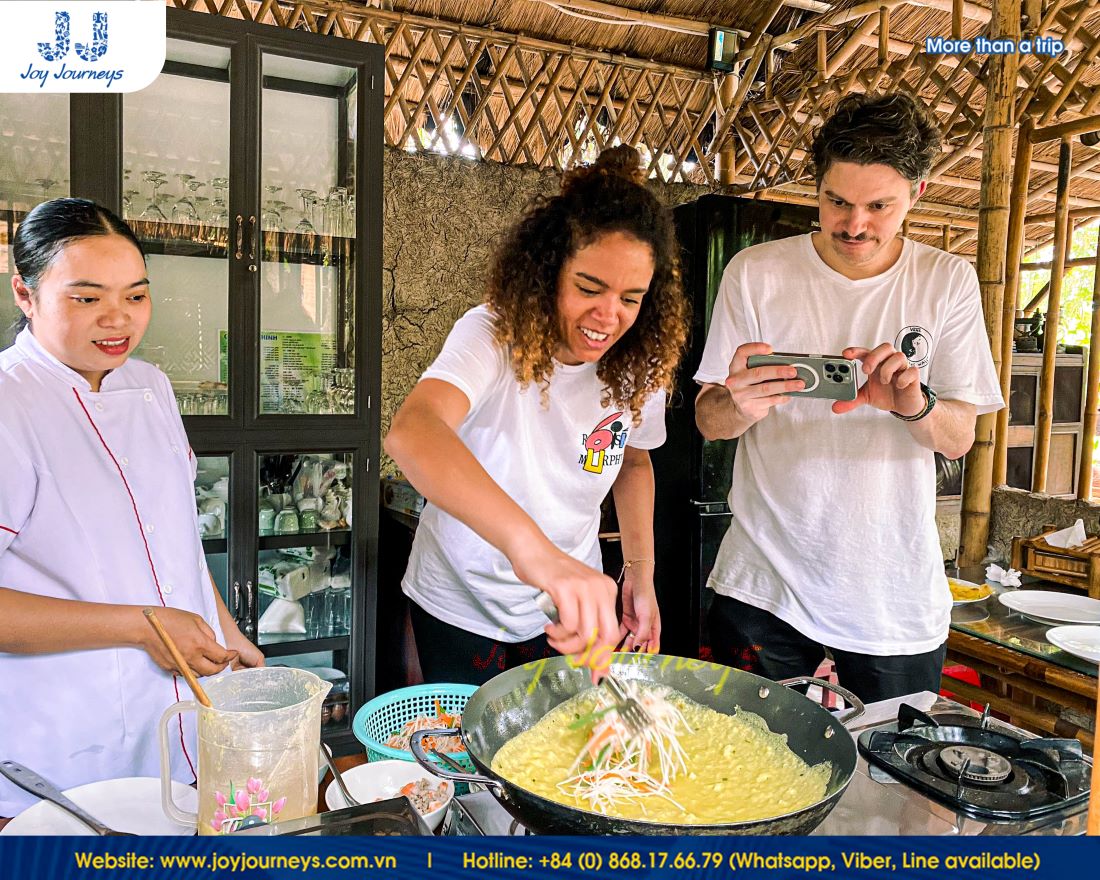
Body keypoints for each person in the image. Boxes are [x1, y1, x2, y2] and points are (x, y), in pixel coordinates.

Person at [693, 92, 1004, 703]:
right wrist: (741, 403)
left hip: (893, 593)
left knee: (893, 783)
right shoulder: (754, 271)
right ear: (817, 188)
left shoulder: (947, 280)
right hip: (764, 583)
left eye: (878, 206)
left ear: (915, 194)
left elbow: (961, 436)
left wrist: (913, 404)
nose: (854, 224)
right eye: (837, 201)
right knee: (750, 778)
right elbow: (709, 420)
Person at [385, 146, 689, 684]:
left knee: (557, 752)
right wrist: (536, 554)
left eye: (631, 298)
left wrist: (640, 575)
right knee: (467, 755)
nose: (608, 315)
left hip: (573, 603)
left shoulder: (641, 360)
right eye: (589, 288)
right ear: (549, 272)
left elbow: (634, 462)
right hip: (462, 593)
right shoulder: (492, 333)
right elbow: (414, 431)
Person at [0, 198, 263, 820]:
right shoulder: (11, 404)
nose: (116, 319)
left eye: (136, 296)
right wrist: (141, 625)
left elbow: (174, 542)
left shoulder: (149, 386)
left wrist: (224, 630)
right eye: (86, 298)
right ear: (25, 294)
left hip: (179, 717)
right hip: (63, 735)